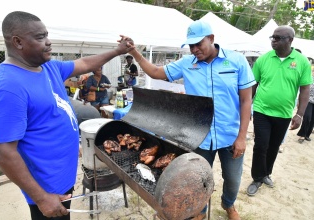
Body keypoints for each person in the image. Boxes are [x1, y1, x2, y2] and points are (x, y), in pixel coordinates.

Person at [0, 11, 132, 220]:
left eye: (47, 36)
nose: (48, 42)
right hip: (46, 189)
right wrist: (41, 198)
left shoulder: (47, 67)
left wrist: (118, 50)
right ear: (18, 42)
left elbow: (84, 63)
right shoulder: (8, 86)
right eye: (40, 37)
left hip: (61, 180)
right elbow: (3, 152)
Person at [123, 19, 255, 220]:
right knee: (195, 178)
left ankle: (228, 204)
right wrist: (134, 52)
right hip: (199, 135)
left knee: (233, 178)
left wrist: (242, 137)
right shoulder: (187, 64)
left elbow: (246, 101)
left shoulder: (236, 61)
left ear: (211, 39)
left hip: (230, 134)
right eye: (190, 45)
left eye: (198, 44)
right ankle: (198, 210)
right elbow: (156, 73)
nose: (194, 49)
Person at [247, 26, 313, 196]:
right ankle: (257, 177)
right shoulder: (263, 59)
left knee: (274, 146)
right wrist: (247, 108)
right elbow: (253, 84)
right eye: (272, 37)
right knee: (260, 145)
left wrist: (299, 114)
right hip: (261, 111)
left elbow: (305, 89)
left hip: (284, 114)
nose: (273, 40)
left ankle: (267, 173)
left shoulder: (302, 61)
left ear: (290, 40)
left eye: (278, 38)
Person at [297, 67, 314, 143]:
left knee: (312, 120)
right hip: (309, 101)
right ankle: (302, 135)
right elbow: (303, 90)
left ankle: (307, 134)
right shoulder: (309, 79)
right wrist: (299, 101)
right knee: (307, 117)